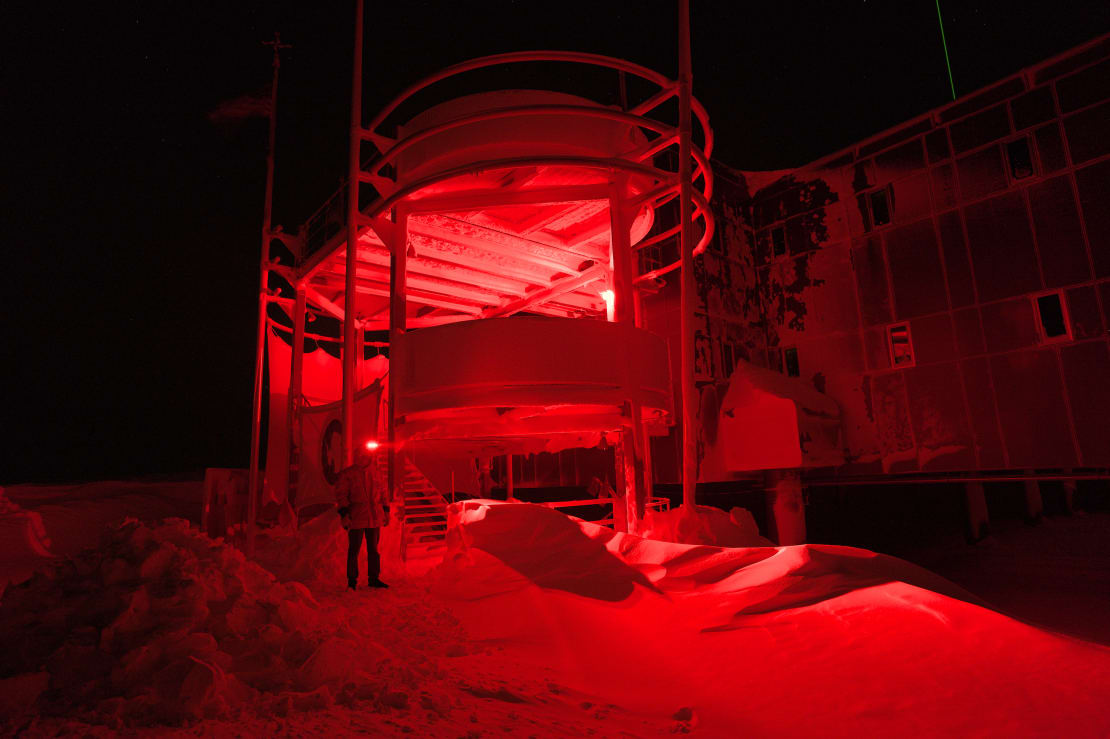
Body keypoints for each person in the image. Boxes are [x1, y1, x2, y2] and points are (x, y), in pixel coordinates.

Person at [335, 442, 389, 590]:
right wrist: (344, 514)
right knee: (354, 550)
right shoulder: (348, 474)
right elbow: (341, 495)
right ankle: (352, 581)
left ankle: (374, 578)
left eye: (365, 455)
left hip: (374, 516)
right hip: (356, 516)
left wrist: (386, 511)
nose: (362, 458)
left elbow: (384, 492)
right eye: (360, 455)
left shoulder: (376, 472)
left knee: (374, 549)